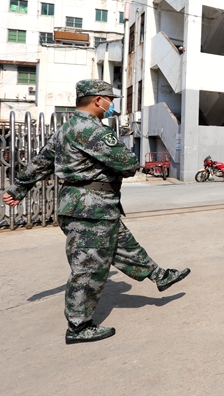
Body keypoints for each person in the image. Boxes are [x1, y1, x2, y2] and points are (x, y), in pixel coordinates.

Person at [2, 79, 190, 344]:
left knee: (122, 244)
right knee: (89, 267)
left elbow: (41, 162)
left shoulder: (65, 128)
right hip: (90, 208)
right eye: (109, 100)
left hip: (86, 206)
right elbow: (128, 163)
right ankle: (78, 326)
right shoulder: (93, 130)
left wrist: (19, 188)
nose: (111, 105)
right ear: (97, 100)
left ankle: (158, 275)